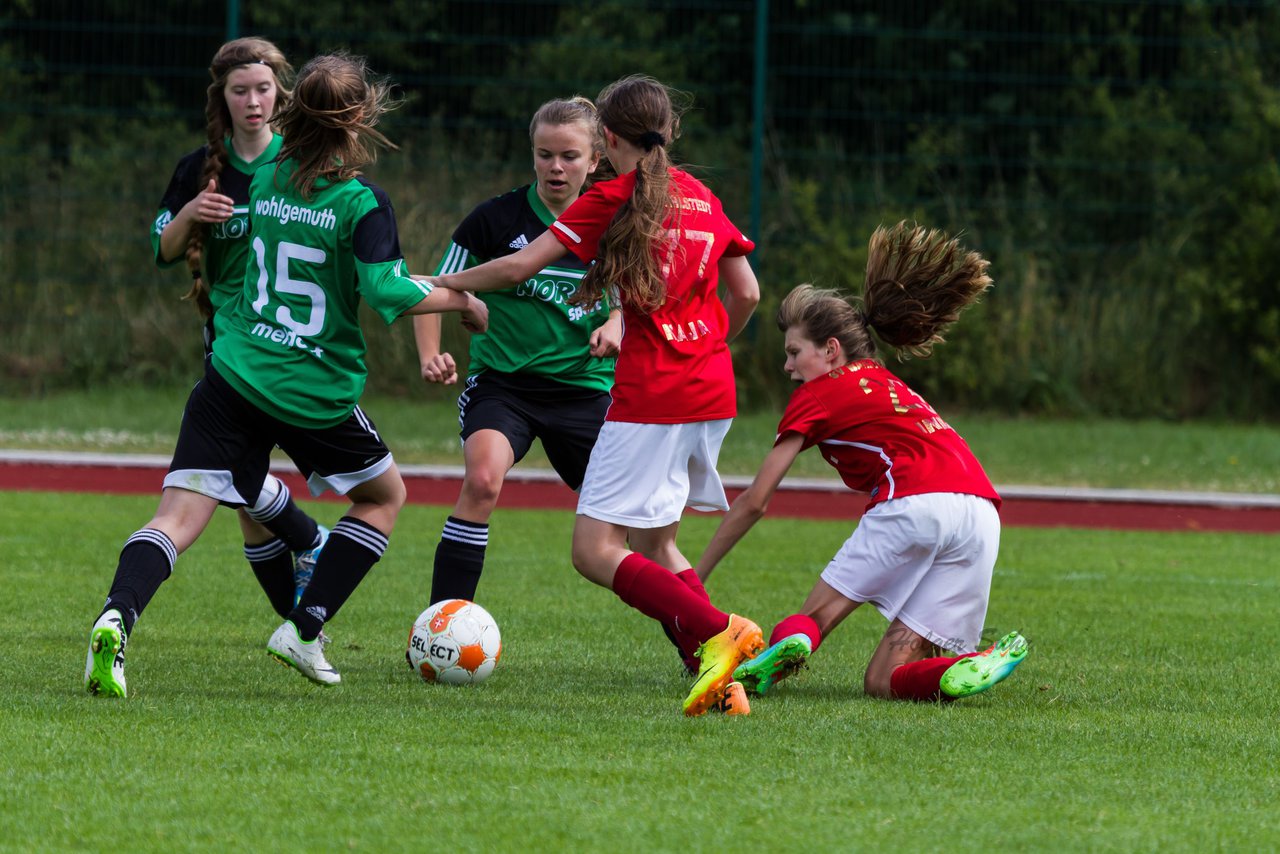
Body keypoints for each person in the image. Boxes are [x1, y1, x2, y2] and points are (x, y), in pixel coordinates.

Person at [84, 52, 489, 697]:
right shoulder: (362, 202)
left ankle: (116, 617)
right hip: (312, 388)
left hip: (234, 371)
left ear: (290, 109)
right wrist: (465, 302)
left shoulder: (267, 174)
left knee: (176, 520)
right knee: (385, 498)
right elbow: (387, 293)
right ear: (359, 121)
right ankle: (303, 629)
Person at [429, 74, 763, 716]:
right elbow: (745, 292)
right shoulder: (699, 196)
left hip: (652, 396)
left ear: (607, 139)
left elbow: (517, 266)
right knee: (658, 542)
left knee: (593, 550)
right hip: (712, 390)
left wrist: (437, 279)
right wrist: (711, 342)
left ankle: (722, 629)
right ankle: (719, 676)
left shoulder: (613, 196)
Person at [695, 223, 1029, 704]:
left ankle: (791, 644)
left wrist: (697, 576)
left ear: (831, 350)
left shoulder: (819, 394)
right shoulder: (887, 382)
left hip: (912, 506)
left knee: (815, 620)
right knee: (883, 679)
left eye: (794, 353)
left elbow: (756, 500)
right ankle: (970, 663)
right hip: (980, 514)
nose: (788, 367)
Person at [413, 96, 621, 607]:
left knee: (630, 520)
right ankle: (439, 627)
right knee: (482, 480)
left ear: (594, 160)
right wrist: (430, 354)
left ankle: (697, 638)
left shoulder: (616, 225)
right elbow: (434, 289)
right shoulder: (494, 220)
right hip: (503, 387)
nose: (555, 166)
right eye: (544, 154)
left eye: (569, 156)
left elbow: (639, 301)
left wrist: (618, 322)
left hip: (584, 390)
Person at [150, 37, 329, 621]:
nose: (252, 101)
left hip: (298, 347)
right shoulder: (202, 169)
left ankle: (307, 550)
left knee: (239, 483)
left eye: (262, 89)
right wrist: (190, 214)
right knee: (241, 488)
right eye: (239, 91)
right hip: (231, 344)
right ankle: (303, 602)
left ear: (280, 93)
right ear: (221, 99)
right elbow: (163, 251)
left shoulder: (300, 165)